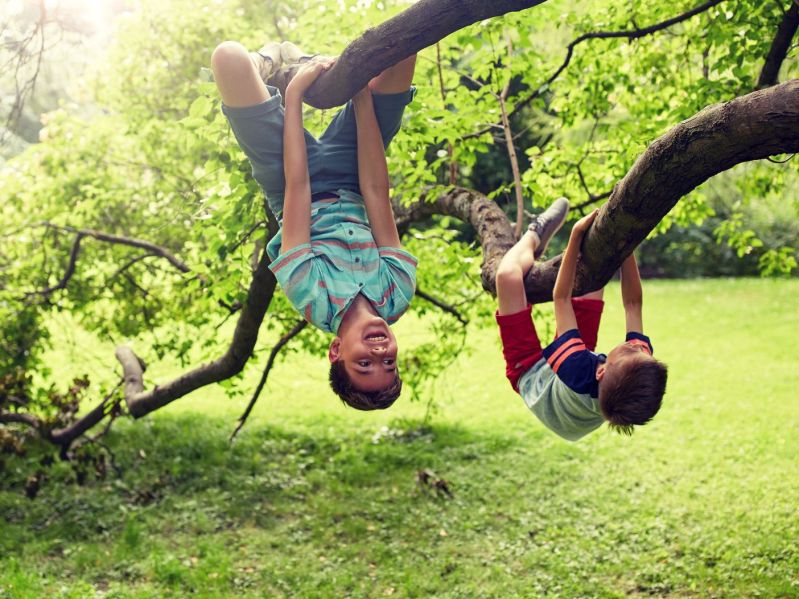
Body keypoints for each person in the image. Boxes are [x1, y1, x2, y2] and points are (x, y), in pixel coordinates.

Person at [210, 40, 418, 410]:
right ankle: (305, 68)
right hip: (354, 172)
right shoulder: (397, 292)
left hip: (286, 176)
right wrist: (360, 95)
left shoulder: (311, 297)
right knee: (405, 50)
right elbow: (375, 191)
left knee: (227, 58)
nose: (380, 352)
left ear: (336, 351)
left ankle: (272, 65)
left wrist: (294, 95)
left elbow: (298, 186)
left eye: (364, 364)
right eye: (389, 363)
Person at [494, 199, 668, 441]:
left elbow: (561, 298)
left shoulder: (576, 366)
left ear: (601, 370)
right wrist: (626, 247)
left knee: (507, 277)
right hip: (577, 389)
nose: (634, 345)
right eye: (641, 351)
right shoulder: (637, 362)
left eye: (629, 349)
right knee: (592, 281)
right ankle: (532, 255)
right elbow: (633, 304)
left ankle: (533, 235)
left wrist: (575, 235)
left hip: (533, 377)